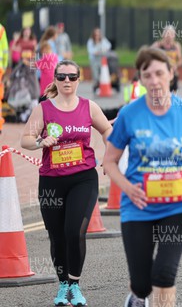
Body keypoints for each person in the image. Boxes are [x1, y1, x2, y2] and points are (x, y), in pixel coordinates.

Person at [103, 47, 182, 307]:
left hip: (178, 206)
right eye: (147, 75)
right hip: (138, 207)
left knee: (164, 274)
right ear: (140, 79)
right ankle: (135, 296)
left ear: (171, 73)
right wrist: (127, 189)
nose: (153, 80)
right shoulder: (130, 114)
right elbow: (109, 161)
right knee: (143, 284)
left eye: (159, 73)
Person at [20, 60, 112, 307]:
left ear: (79, 80)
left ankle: (74, 285)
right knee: (57, 236)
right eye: (62, 77)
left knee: (75, 231)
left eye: (72, 77)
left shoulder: (88, 107)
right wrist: (42, 142)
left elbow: (107, 130)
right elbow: (25, 140)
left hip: (83, 177)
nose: (67, 81)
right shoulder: (44, 109)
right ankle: (63, 286)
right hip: (52, 181)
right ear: (56, 80)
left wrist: (109, 156)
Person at [151, 25, 182, 92]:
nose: (169, 37)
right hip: (160, 73)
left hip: (172, 73)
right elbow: (147, 57)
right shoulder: (157, 45)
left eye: (171, 34)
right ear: (163, 35)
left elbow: (181, 60)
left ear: (174, 36)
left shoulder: (176, 46)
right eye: (167, 34)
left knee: (173, 95)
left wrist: (176, 65)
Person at [86, 27, 112, 92]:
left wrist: (104, 49)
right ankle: (96, 86)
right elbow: (90, 51)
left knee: (101, 73)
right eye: (96, 34)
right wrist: (96, 51)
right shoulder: (90, 41)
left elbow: (108, 45)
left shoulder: (103, 40)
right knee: (95, 74)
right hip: (94, 60)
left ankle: (100, 87)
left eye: (98, 34)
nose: (97, 36)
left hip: (101, 59)